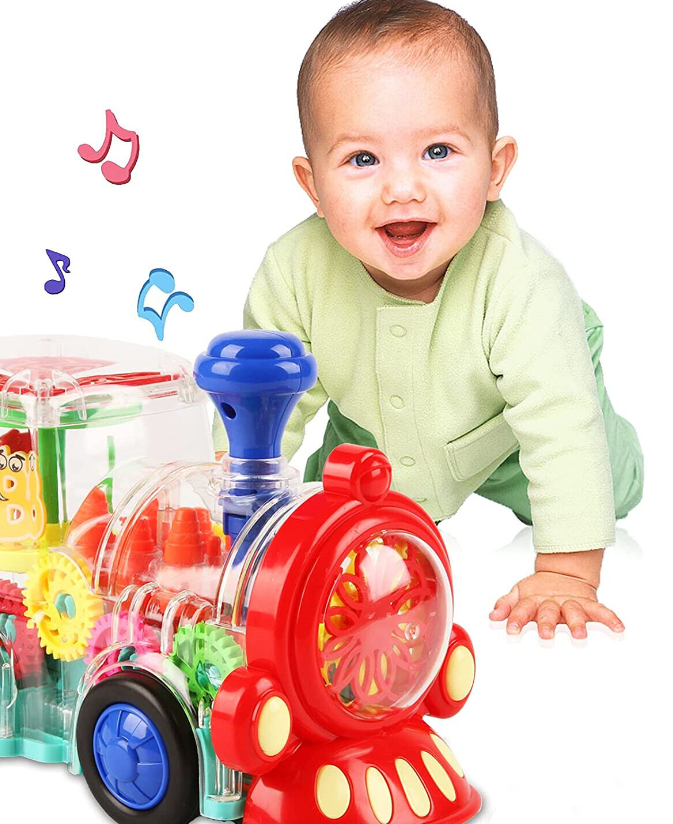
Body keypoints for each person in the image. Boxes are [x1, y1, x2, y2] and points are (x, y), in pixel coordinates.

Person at [212, 0, 643, 639]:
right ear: (312, 184)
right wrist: (227, 520)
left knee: (603, 480)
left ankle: (601, 435)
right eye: (363, 159)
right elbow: (260, 408)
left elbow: (559, 426)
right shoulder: (294, 270)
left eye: (438, 151)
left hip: (503, 432)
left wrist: (566, 573)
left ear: (495, 168)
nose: (402, 188)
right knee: (332, 517)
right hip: (369, 428)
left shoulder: (521, 281)